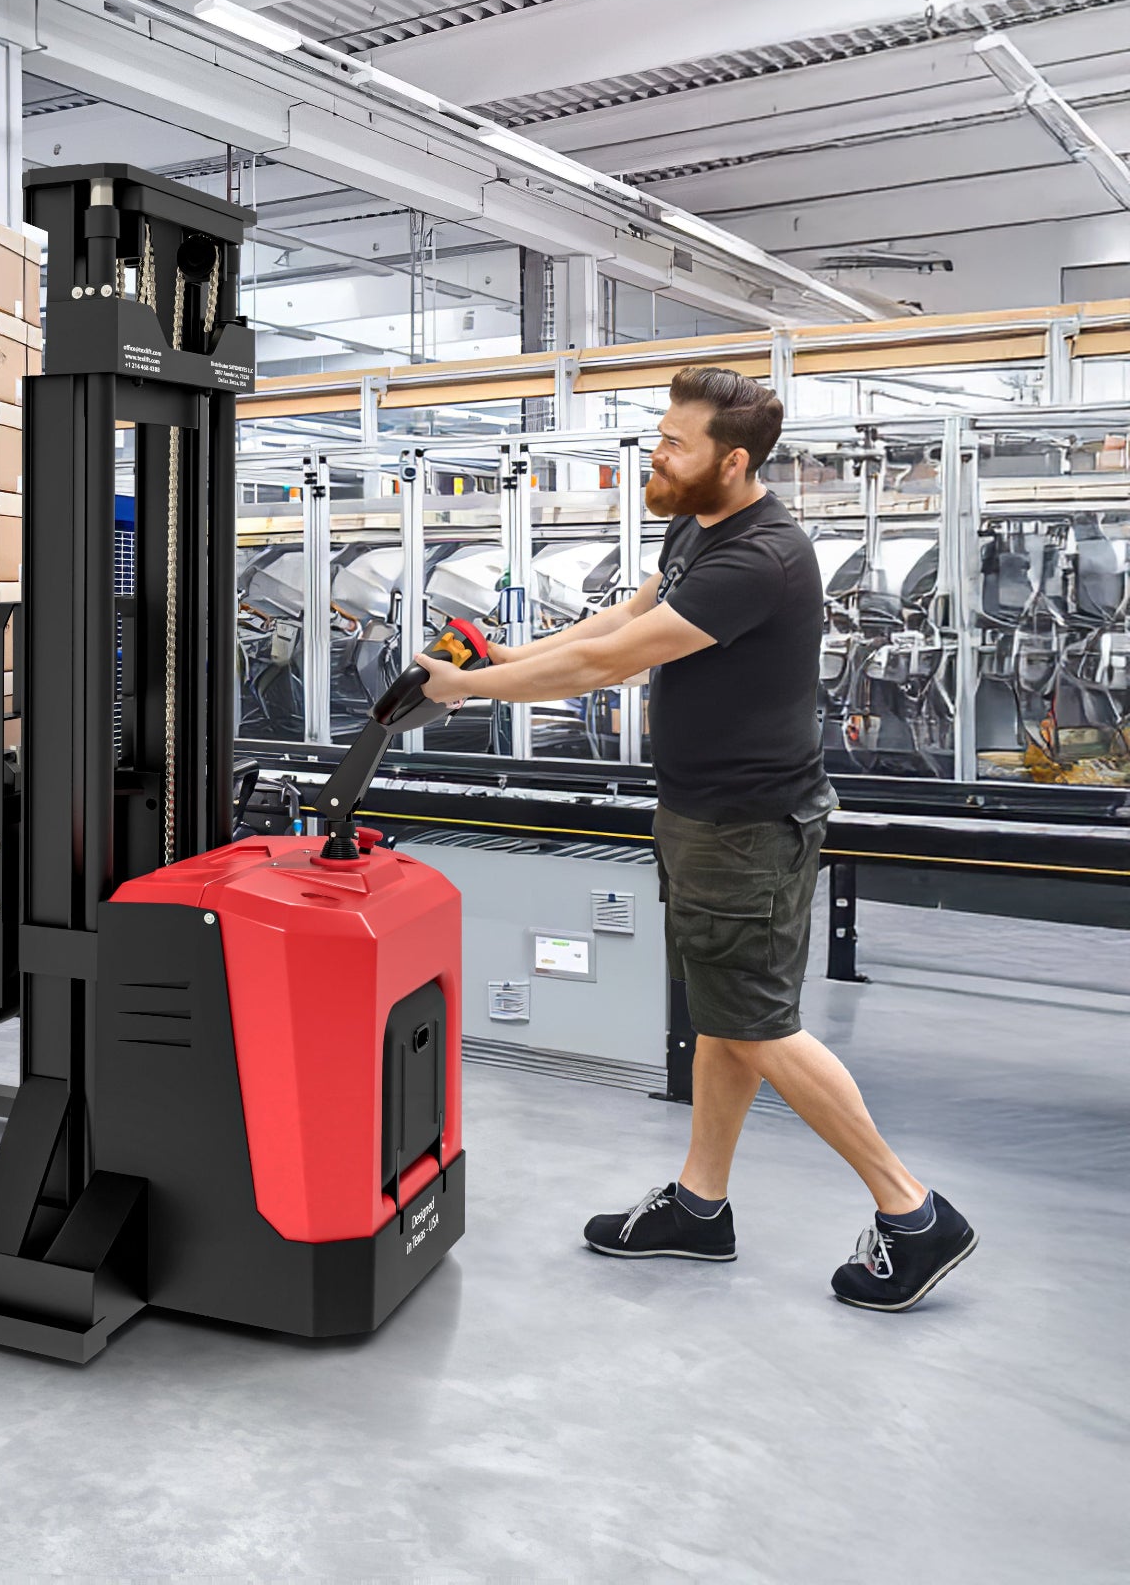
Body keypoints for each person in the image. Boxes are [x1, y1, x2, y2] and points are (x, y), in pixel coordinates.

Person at [413, 366, 975, 1312]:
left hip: (745, 828)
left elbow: (609, 662)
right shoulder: (700, 526)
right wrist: (512, 656)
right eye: (660, 438)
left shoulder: (761, 558)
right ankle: (700, 1207)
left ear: (734, 460)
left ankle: (913, 1212)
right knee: (724, 1019)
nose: (657, 456)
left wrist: (468, 688)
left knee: (758, 1024)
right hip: (708, 817)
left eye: (676, 444)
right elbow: (621, 618)